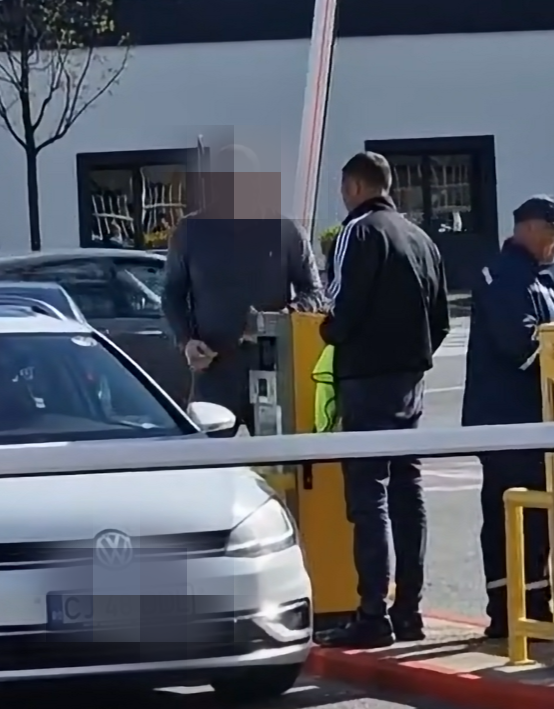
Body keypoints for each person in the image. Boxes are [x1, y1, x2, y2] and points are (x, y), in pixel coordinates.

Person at [317, 152, 450, 648]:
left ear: (354, 186)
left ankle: (372, 613)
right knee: (406, 490)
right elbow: (441, 319)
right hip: (409, 379)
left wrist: (331, 333)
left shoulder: (359, 232)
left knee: (368, 494)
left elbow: (340, 306)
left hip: (365, 378)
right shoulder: (420, 238)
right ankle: (408, 609)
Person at [463, 196, 554, 641]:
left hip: (533, 421)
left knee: (536, 519)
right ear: (529, 228)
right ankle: (510, 609)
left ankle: (533, 604)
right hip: (506, 421)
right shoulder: (504, 278)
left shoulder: (536, 280)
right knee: (511, 516)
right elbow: (525, 346)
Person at [161, 142, 324, 432]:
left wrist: (283, 316)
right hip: (214, 371)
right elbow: (172, 293)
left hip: (274, 371)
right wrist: (186, 340)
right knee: (212, 467)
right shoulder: (191, 232)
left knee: (278, 470)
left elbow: (314, 293)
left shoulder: (284, 231)